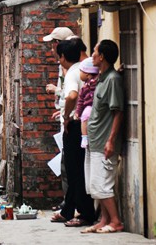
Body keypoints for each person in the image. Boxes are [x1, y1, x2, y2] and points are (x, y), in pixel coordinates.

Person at [81, 39, 124, 234]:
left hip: (104, 142)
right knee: (94, 185)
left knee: (102, 184)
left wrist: (111, 140)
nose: (92, 56)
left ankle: (115, 221)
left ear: (102, 56)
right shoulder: (103, 78)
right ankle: (104, 219)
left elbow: (118, 112)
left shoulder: (112, 80)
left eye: (95, 52)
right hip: (94, 140)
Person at [54, 40, 96, 227]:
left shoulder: (72, 73)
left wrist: (66, 116)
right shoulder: (86, 67)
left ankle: (86, 213)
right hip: (89, 124)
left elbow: (72, 95)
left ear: (63, 57)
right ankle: (68, 210)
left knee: (74, 171)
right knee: (78, 169)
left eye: (59, 57)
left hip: (76, 125)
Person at [42, 26, 74, 218]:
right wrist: (60, 111)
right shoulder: (62, 65)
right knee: (64, 162)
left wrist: (56, 90)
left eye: (54, 43)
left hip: (71, 120)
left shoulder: (70, 68)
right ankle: (66, 201)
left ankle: (69, 204)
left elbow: (72, 94)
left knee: (68, 164)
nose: (52, 47)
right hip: (65, 116)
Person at [74, 57, 99, 149]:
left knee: (85, 115)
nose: (79, 73)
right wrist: (78, 112)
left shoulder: (97, 81)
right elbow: (80, 101)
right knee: (84, 116)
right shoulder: (84, 87)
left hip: (96, 106)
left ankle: (85, 137)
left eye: (81, 71)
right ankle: (85, 136)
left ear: (87, 74)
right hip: (89, 106)